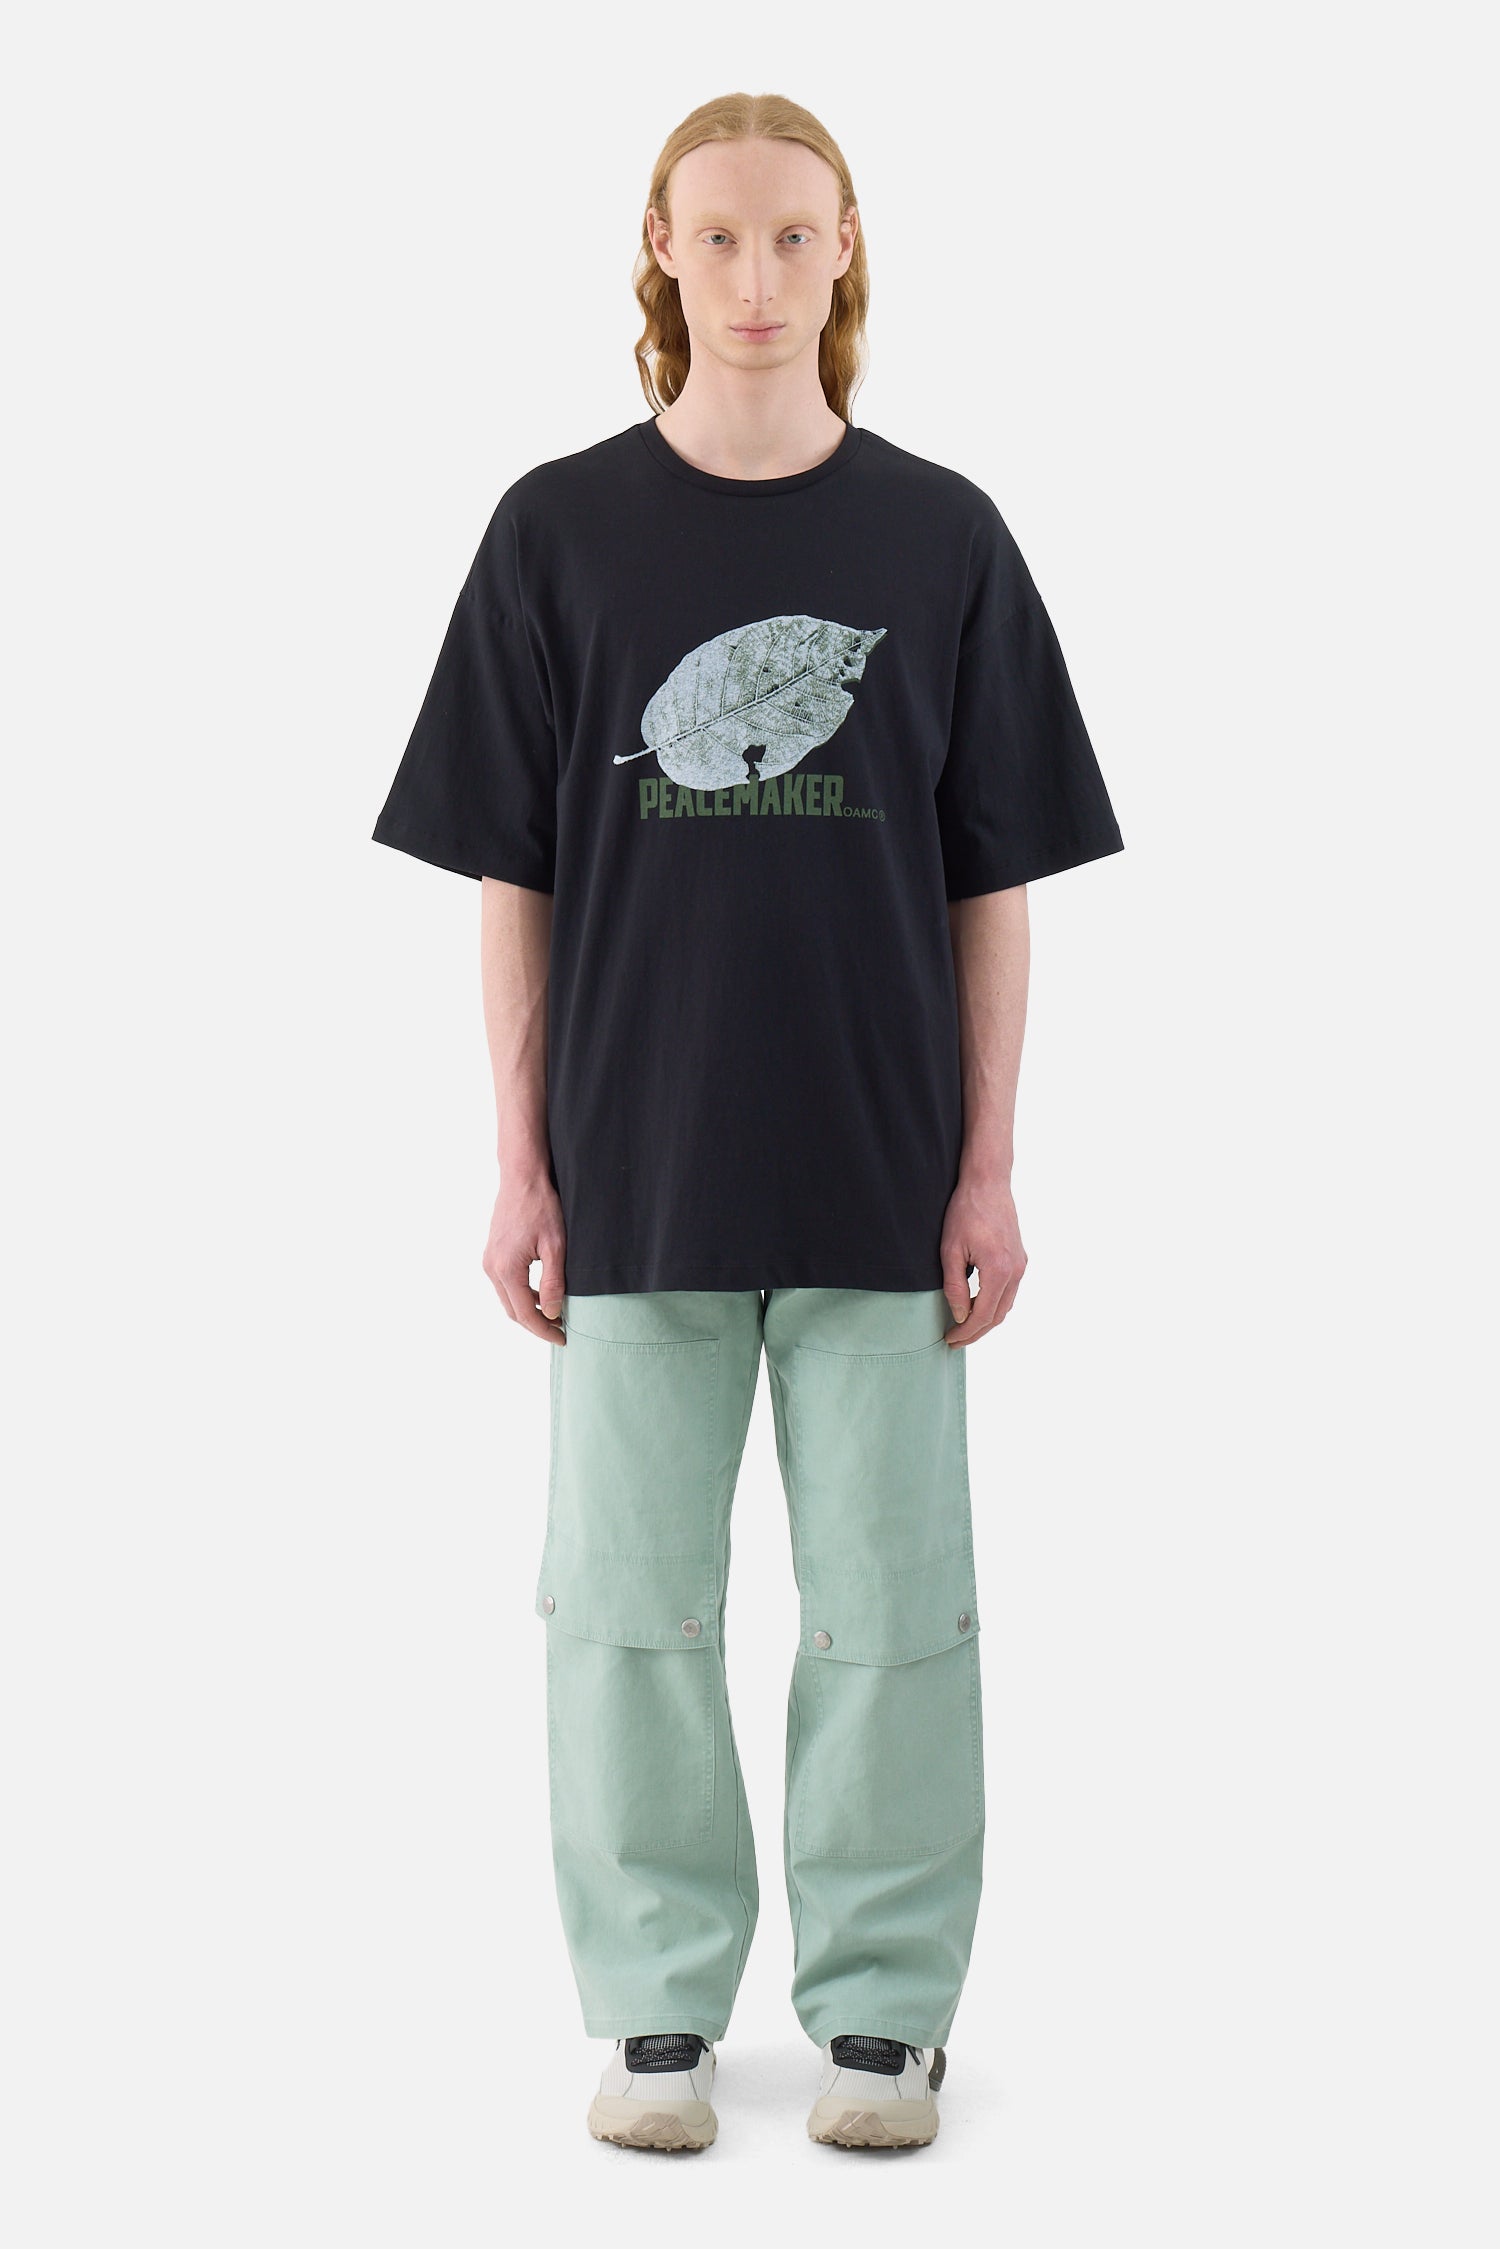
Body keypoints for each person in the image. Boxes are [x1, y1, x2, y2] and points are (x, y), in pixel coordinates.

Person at [371, 90, 1124, 2153]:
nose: (759, 277)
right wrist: (519, 1157)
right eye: (719, 236)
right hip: (638, 1167)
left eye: (796, 235)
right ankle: (653, 2015)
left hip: (886, 1173)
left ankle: (885, 2013)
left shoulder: (943, 539)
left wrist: (991, 1161)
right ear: (660, 251)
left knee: (896, 1614)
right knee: (626, 1616)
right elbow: (515, 871)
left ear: (847, 249)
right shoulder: (556, 533)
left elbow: (994, 877)